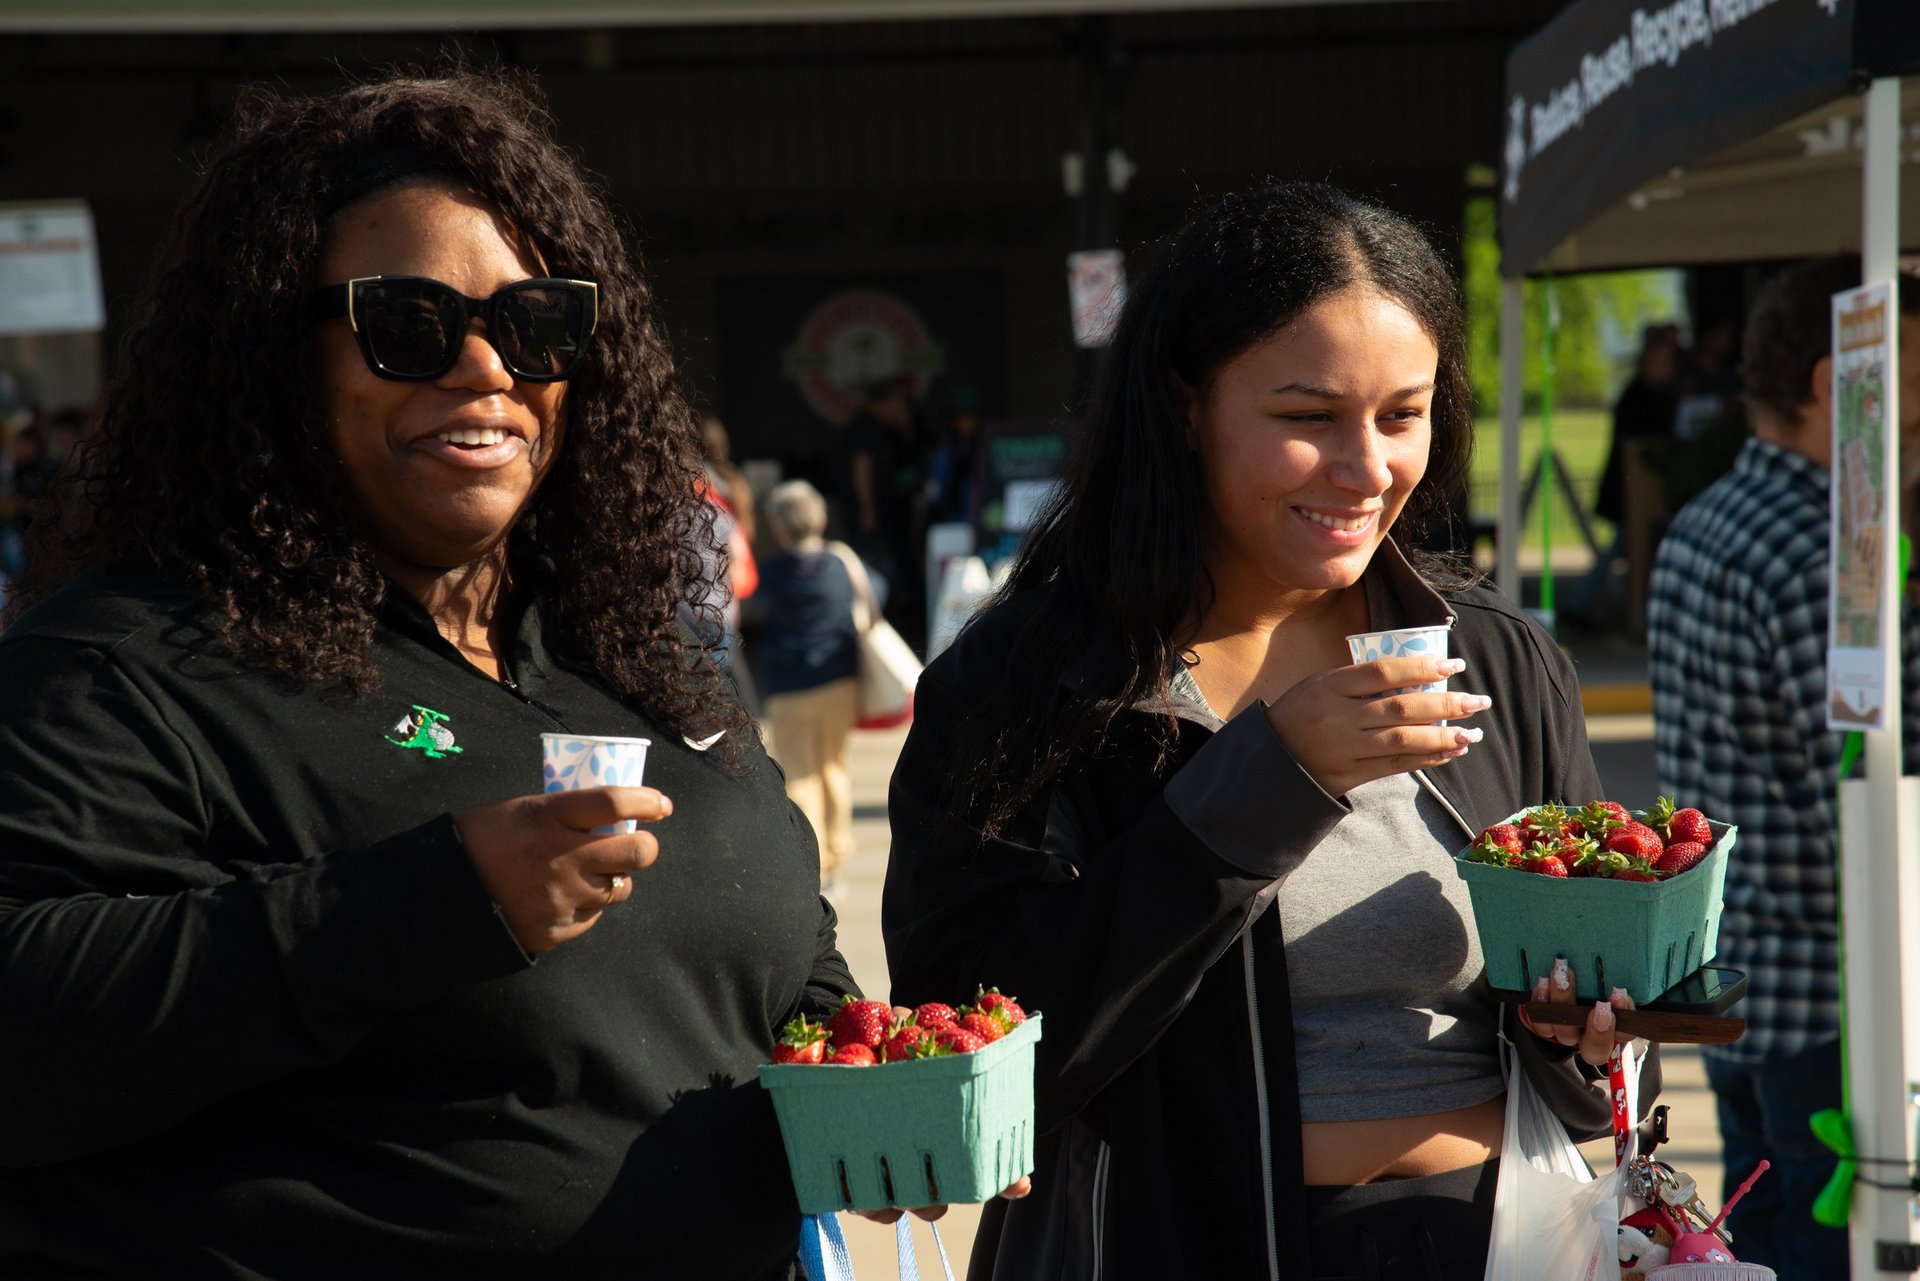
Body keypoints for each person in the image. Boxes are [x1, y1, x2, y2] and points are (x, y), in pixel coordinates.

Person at [0, 70, 877, 1279]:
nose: (483, 370)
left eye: (535, 325)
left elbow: (775, 957)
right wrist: (422, 910)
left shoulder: (635, 654)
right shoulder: (126, 662)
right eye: (406, 325)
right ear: (274, 356)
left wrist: (867, 1075)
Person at [884, 181, 1659, 1278]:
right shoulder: (1025, 683)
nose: (1366, 468)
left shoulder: (1493, 654)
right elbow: (971, 1055)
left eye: (1402, 414)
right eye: (1307, 419)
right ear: (1185, 402)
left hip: (1510, 1239)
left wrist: (1585, 1039)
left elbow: (1616, 1018)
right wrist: (1262, 786)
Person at [1648, 255, 1920, 1276]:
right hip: (1842, 1001)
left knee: (1758, 1247)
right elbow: (1875, 795)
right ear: (1836, 378)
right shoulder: (1828, 555)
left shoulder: (1702, 525)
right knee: (1835, 1253)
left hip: (1735, 979)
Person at [758, 480, 862, 894]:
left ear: (779, 529)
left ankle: (812, 863)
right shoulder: (840, 563)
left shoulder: (771, 573)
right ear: (820, 518)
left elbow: (752, 609)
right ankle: (837, 858)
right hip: (839, 679)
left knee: (800, 775)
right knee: (835, 768)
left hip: (788, 686)